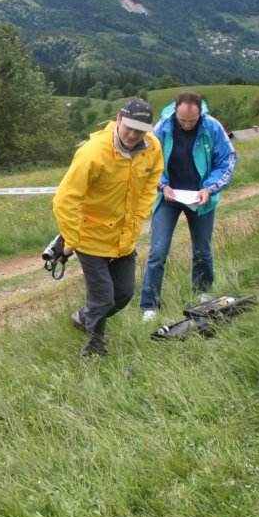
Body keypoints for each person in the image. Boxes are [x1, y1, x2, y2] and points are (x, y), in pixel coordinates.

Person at [53, 98, 164, 356]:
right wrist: (72, 240)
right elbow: (64, 199)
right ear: (118, 119)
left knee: (124, 293)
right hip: (90, 237)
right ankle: (94, 350)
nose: (133, 135)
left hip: (124, 237)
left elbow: (152, 180)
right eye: (129, 127)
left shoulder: (152, 147)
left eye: (140, 130)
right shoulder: (93, 153)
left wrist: (140, 214)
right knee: (103, 298)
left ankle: (84, 317)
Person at [140, 91, 237, 322]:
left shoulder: (212, 127)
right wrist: (162, 185)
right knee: (157, 251)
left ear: (200, 113)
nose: (186, 125)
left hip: (201, 197)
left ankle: (202, 291)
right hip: (169, 196)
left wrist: (209, 188)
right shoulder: (163, 127)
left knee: (202, 249)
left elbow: (228, 160)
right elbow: (148, 162)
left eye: (191, 121)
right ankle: (149, 305)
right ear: (175, 111)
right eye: (182, 120)